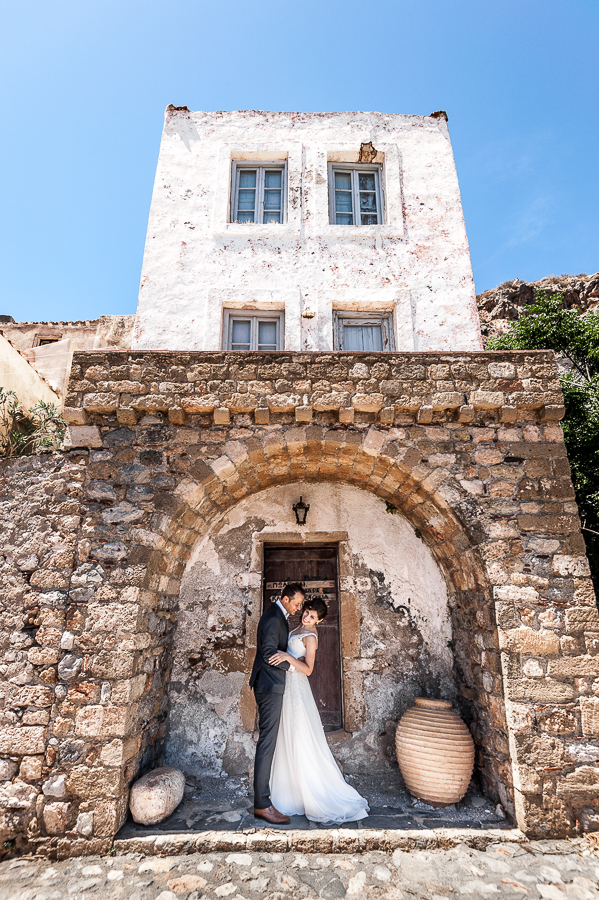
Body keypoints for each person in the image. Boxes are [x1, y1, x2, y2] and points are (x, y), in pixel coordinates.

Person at [268, 596, 369, 824]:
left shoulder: (311, 637)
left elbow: (309, 669)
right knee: (287, 734)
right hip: (287, 686)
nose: (307, 616)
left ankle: (309, 792)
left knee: (299, 733)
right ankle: (290, 790)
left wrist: (287, 657)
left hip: (297, 688)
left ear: (319, 620)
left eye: (313, 616)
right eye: (307, 612)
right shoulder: (296, 629)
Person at [249, 581, 305, 824]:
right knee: (268, 742)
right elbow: (269, 653)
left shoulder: (279, 615)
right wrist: (293, 666)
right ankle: (262, 804)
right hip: (269, 686)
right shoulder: (273, 617)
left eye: (301, 604)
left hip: (271, 684)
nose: (299, 607)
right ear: (285, 599)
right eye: (296, 603)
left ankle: (265, 799)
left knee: (270, 740)